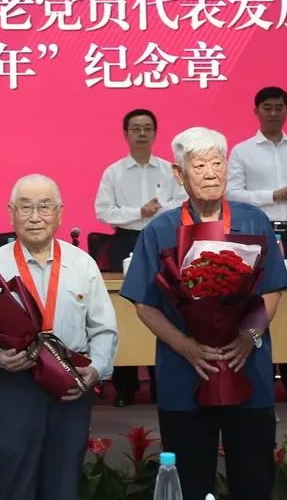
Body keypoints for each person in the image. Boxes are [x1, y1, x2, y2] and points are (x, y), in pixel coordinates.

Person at [121, 127, 287, 500]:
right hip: (185, 373)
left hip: (248, 368)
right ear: (179, 174)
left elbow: (272, 289)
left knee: (254, 479)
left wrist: (249, 337)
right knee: (190, 482)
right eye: (199, 166)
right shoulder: (160, 229)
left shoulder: (254, 220)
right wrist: (186, 347)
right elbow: (144, 303)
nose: (211, 173)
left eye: (217, 163)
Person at [0, 174, 118, 500]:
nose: (34, 217)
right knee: (12, 482)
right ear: (11, 213)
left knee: (63, 482)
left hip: (70, 386)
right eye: (25, 207)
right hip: (13, 386)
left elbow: (104, 330)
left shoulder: (83, 265)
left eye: (44, 207)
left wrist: (95, 370)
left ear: (59, 213)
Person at [226, 86, 287, 404]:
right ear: (256, 111)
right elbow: (233, 193)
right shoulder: (242, 151)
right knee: (257, 302)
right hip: (256, 233)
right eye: (266, 107)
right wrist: (274, 195)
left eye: (279, 107)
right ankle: (258, 376)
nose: (273, 113)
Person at [94, 108, 182, 406]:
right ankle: (125, 387)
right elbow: (103, 211)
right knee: (125, 311)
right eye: (136, 128)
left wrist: (158, 212)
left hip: (164, 242)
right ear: (126, 134)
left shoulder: (170, 170)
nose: (142, 133)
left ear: (155, 133)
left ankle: (163, 383)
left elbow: (183, 203)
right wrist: (139, 212)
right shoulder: (114, 172)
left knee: (166, 306)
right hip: (126, 241)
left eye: (147, 128)